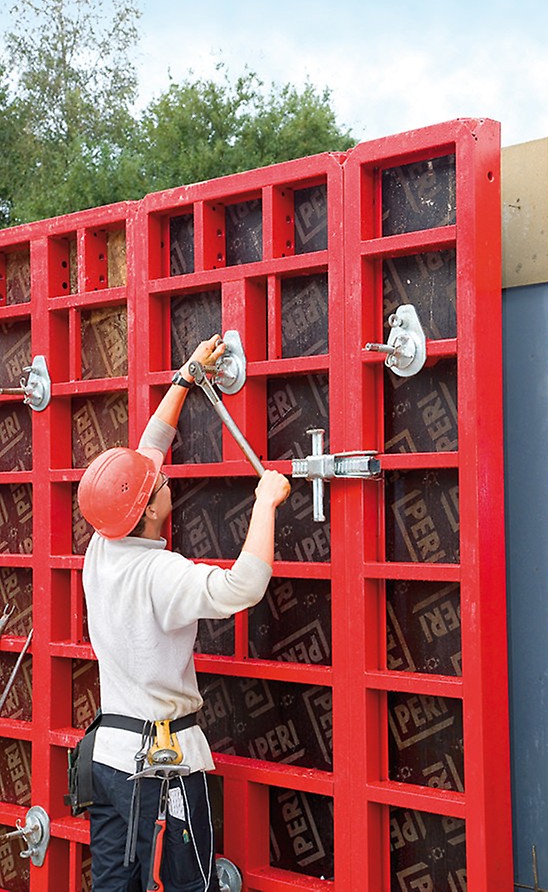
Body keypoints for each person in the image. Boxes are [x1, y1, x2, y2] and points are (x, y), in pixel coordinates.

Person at [76, 334, 291, 891]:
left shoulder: (102, 545)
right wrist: (265, 502)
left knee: (111, 885)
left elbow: (146, 453)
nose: (165, 476)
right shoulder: (161, 574)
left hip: (107, 759)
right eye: (162, 486)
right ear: (148, 511)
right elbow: (244, 586)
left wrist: (185, 378)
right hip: (162, 766)